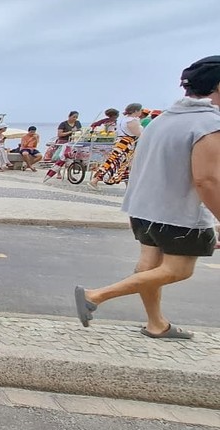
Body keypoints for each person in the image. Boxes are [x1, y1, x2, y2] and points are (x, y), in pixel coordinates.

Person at [74, 55, 220, 340]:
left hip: (142, 208)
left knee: (148, 267)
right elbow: (207, 179)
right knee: (177, 270)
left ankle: (156, 324)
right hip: (178, 213)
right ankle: (95, 296)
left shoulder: (163, 119)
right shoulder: (208, 124)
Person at [89, 103, 144, 190]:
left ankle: (128, 185)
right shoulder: (132, 121)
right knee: (115, 162)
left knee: (122, 163)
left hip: (121, 141)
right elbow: (137, 133)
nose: (141, 112)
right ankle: (95, 180)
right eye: (140, 110)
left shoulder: (123, 120)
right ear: (136, 111)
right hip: (126, 143)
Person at [43, 111, 84, 182]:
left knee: (71, 158)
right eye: (73, 117)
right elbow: (60, 134)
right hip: (63, 142)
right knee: (61, 157)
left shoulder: (77, 123)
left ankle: (69, 174)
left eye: (76, 117)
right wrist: (70, 131)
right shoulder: (63, 124)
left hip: (73, 141)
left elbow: (80, 130)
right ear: (69, 116)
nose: (75, 118)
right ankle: (58, 172)